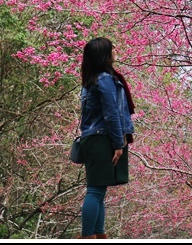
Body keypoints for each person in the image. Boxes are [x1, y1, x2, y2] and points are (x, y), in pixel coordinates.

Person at [77, 37, 135, 239]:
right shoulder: (105, 80)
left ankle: (98, 234)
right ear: (104, 55)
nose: (115, 51)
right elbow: (112, 113)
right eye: (112, 49)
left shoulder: (90, 80)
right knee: (95, 191)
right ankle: (87, 236)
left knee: (99, 191)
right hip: (102, 139)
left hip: (93, 138)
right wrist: (119, 143)